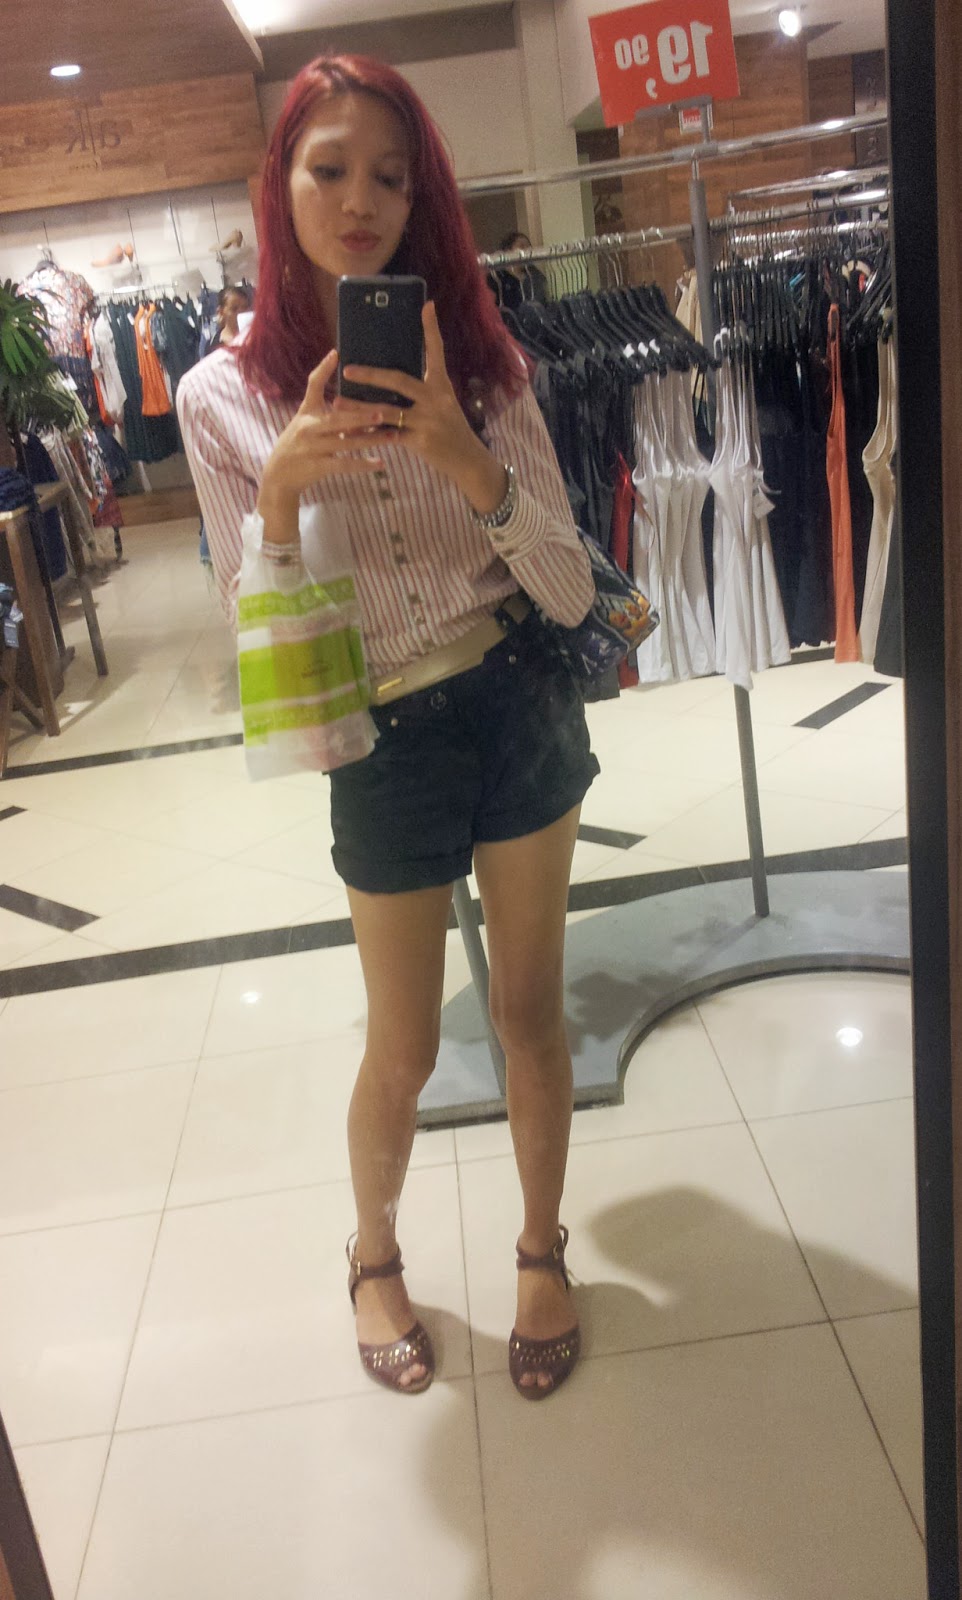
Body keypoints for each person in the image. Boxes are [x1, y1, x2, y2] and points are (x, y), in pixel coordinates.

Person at [177, 54, 599, 1402]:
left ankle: (541, 1247)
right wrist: (281, 495)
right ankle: (371, 1254)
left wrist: (465, 458)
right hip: (380, 737)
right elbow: (256, 639)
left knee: (527, 1013)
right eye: (328, 169)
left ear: (423, 200)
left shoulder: (482, 359)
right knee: (404, 1047)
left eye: (390, 176)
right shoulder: (220, 398)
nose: (358, 201)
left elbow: (570, 589)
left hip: (518, 704)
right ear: (279, 184)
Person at [488, 230, 550, 312]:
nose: (527, 251)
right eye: (522, 246)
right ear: (508, 251)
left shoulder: (536, 276)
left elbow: (544, 304)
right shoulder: (496, 279)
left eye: (529, 247)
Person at [209, 284, 253, 350]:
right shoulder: (214, 344)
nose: (240, 312)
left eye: (245, 307)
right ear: (221, 312)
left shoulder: (255, 338)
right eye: (234, 309)